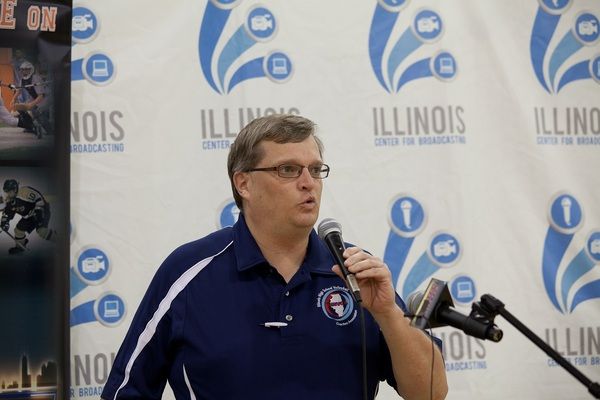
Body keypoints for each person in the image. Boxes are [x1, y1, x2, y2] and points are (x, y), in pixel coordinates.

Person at [101, 114, 448, 400]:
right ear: (244, 184)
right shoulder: (187, 272)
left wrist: (388, 314)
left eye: (316, 169)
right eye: (288, 170)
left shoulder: (354, 272)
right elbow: (125, 392)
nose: (308, 182)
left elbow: (431, 393)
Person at [0, 179, 56, 254]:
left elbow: (38, 197)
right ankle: (20, 247)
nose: (8, 194)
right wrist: (4, 222)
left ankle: (60, 240)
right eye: (6, 192)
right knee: (18, 230)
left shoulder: (24, 191)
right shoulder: (10, 201)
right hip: (29, 216)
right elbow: (7, 213)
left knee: (41, 231)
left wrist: (38, 211)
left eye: (9, 192)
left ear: (15, 189)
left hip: (41, 210)